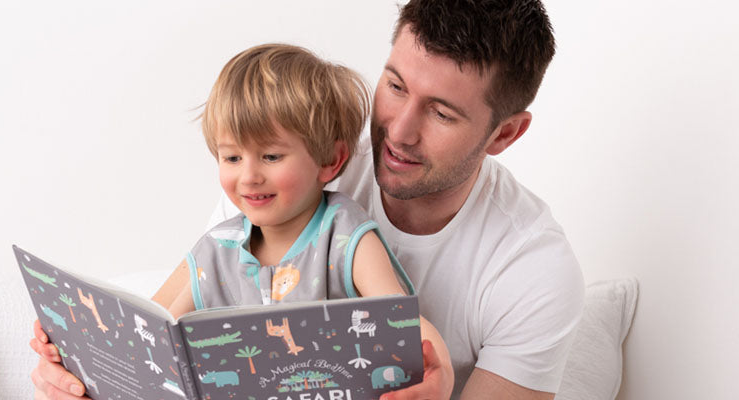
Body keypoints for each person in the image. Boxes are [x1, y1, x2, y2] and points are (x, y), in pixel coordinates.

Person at [31, 0, 584, 399]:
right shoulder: (287, 171)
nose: (399, 130)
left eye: (441, 113)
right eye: (394, 86)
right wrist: (84, 370)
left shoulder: (532, 268)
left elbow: (407, 330)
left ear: (505, 134)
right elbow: (155, 327)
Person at [31, 42, 455, 399]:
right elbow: (145, 332)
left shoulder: (344, 235)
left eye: (271, 156)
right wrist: (69, 348)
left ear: (330, 160)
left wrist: (437, 374)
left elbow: (406, 326)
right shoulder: (216, 249)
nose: (249, 176)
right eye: (232, 157)